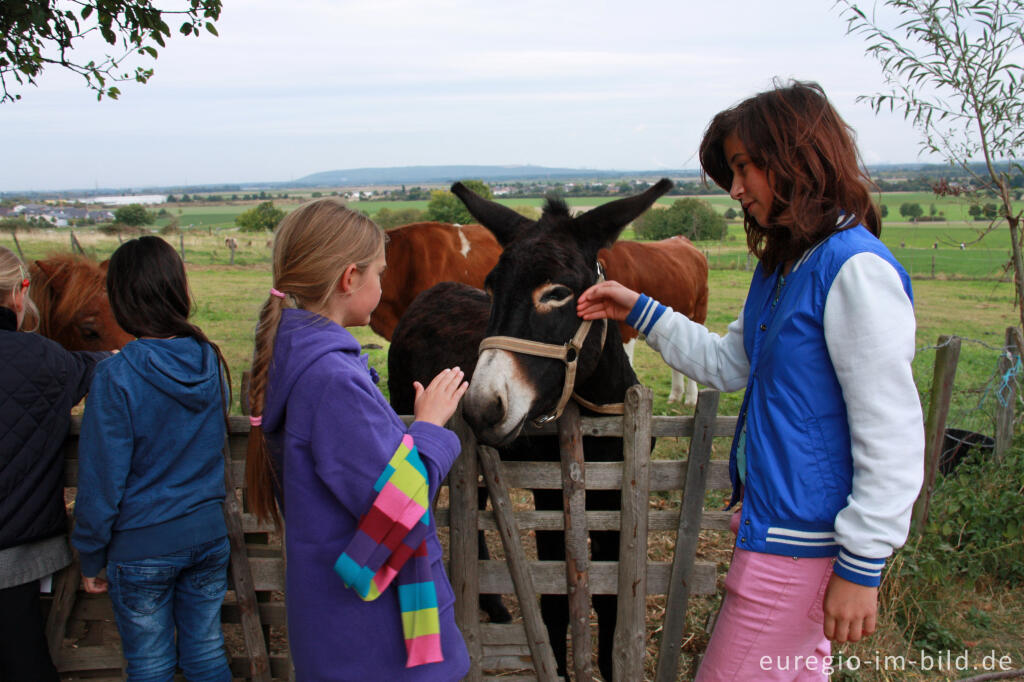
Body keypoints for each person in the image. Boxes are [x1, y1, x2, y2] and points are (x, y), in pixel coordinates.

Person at [577, 80, 924, 680]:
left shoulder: (854, 270)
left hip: (804, 547)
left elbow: (891, 431)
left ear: (795, 157)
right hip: (774, 529)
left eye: (744, 168)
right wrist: (639, 308)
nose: (735, 190)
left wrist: (863, 565)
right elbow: (726, 364)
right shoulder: (787, 265)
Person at [245, 197, 471, 681]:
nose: (384, 284)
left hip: (335, 625)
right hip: (375, 640)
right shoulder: (331, 380)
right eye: (380, 273)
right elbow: (397, 508)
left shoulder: (292, 354)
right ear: (349, 279)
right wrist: (429, 429)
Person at [71, 236, 233, 682]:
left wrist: (90, 554)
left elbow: (102, 480)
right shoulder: (209, 359)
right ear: (177, 288)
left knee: (150, 664)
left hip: (142, 543)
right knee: (205, 653)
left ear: (121, 298)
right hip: (207, 535)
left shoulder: (116, 375)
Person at [0, 246, 109, 682]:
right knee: (24, 660)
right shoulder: (49, 361)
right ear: (19, 292)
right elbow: (113, 365)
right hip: (13, 560)